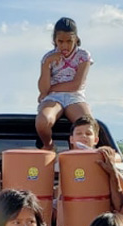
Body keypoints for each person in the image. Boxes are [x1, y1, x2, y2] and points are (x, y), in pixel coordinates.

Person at [36, 17, 92, 150]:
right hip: (54, 97)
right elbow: (42, 89)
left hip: (75, 96)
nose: (64, 46)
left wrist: (50, 89)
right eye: (60, 41)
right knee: (43, 120)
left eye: (69, 41)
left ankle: (78, 152)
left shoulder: (83, 56)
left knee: (87, 124)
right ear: (54, 40)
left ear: (76, 39)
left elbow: (76, 84)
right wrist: (46, 64)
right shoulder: (48, 57)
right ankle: (48, 146)